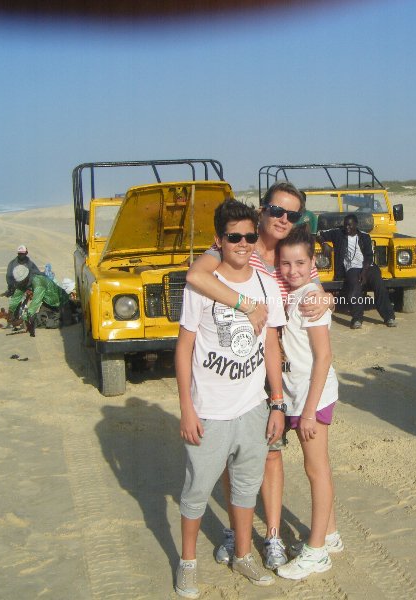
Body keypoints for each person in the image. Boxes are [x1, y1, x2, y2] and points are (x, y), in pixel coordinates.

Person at [184, 181, 333, 570]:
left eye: (293, 214)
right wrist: (248, 304)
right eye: (277, 211)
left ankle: (271, 537)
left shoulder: (289, 253)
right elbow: (197, 277)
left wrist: (328, 296)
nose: (284, 219)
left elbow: (311, 284)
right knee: (240, 454)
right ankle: (238, 530)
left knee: (271, 454)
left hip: (279, 365)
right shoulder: (235, 245)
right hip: (245, 365)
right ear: (262, 209)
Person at [174, 200, 286, 598]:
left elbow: (272, 343)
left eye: (249, 236)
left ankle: (243, 555)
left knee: (245, 488)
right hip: (210, 411)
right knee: (196, 491)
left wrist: (276, 402)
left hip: (253, 408)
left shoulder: (265, 284)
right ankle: (188, 565)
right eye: (234, 237)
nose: (242, 244)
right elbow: (184, 348)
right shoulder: (201, 285)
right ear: (218, 240)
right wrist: (187, 408)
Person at [274, 225, 342, 580]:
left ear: (312, 262)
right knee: (318, 468)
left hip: (311, 397)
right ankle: (329, 535)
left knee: (316, 470)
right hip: (302, 394)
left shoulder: (310, 298)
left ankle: (316, 552)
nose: (292, 270)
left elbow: (324, 356)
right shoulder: (300, 293)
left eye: (300, 263)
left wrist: (311, 411)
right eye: (285, 264)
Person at [318, 213, 396, 329]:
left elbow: (369, 257)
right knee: (354, 288)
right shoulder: (338, 234)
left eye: (350, 226)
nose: (347, 228)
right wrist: (324, 244)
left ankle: (389, 317)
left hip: (368, 266)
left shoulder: (365, 237)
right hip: (351, 267)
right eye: (345, 225)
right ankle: (357, 318)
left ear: (356, 225)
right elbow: (319, 234)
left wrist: (364, 272)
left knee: (379, 284)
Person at [8, 264, 69, 334]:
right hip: (48, 303)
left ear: (27, 277)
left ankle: (70, 316)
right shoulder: (23, 282)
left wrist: (21, 319)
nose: (20, 283)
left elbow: (35, 303)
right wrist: (10, 311)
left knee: (53, 323)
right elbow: (16, 296)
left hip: (60, 302)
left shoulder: (38, 283)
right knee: (41, 321)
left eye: (21, 281)